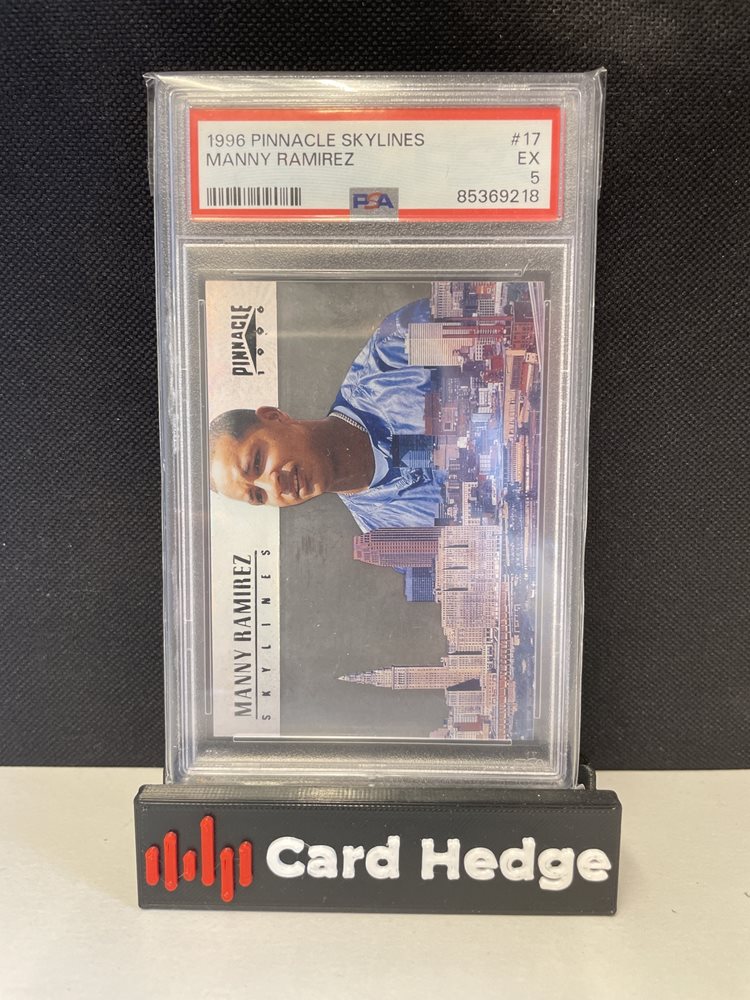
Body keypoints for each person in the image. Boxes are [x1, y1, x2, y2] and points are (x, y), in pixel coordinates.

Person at [209, 298, 444, 531]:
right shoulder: (391, 536)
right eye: (259, 496)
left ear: (273, 416)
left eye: (257, 463)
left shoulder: (395, 350)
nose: (275, 487)